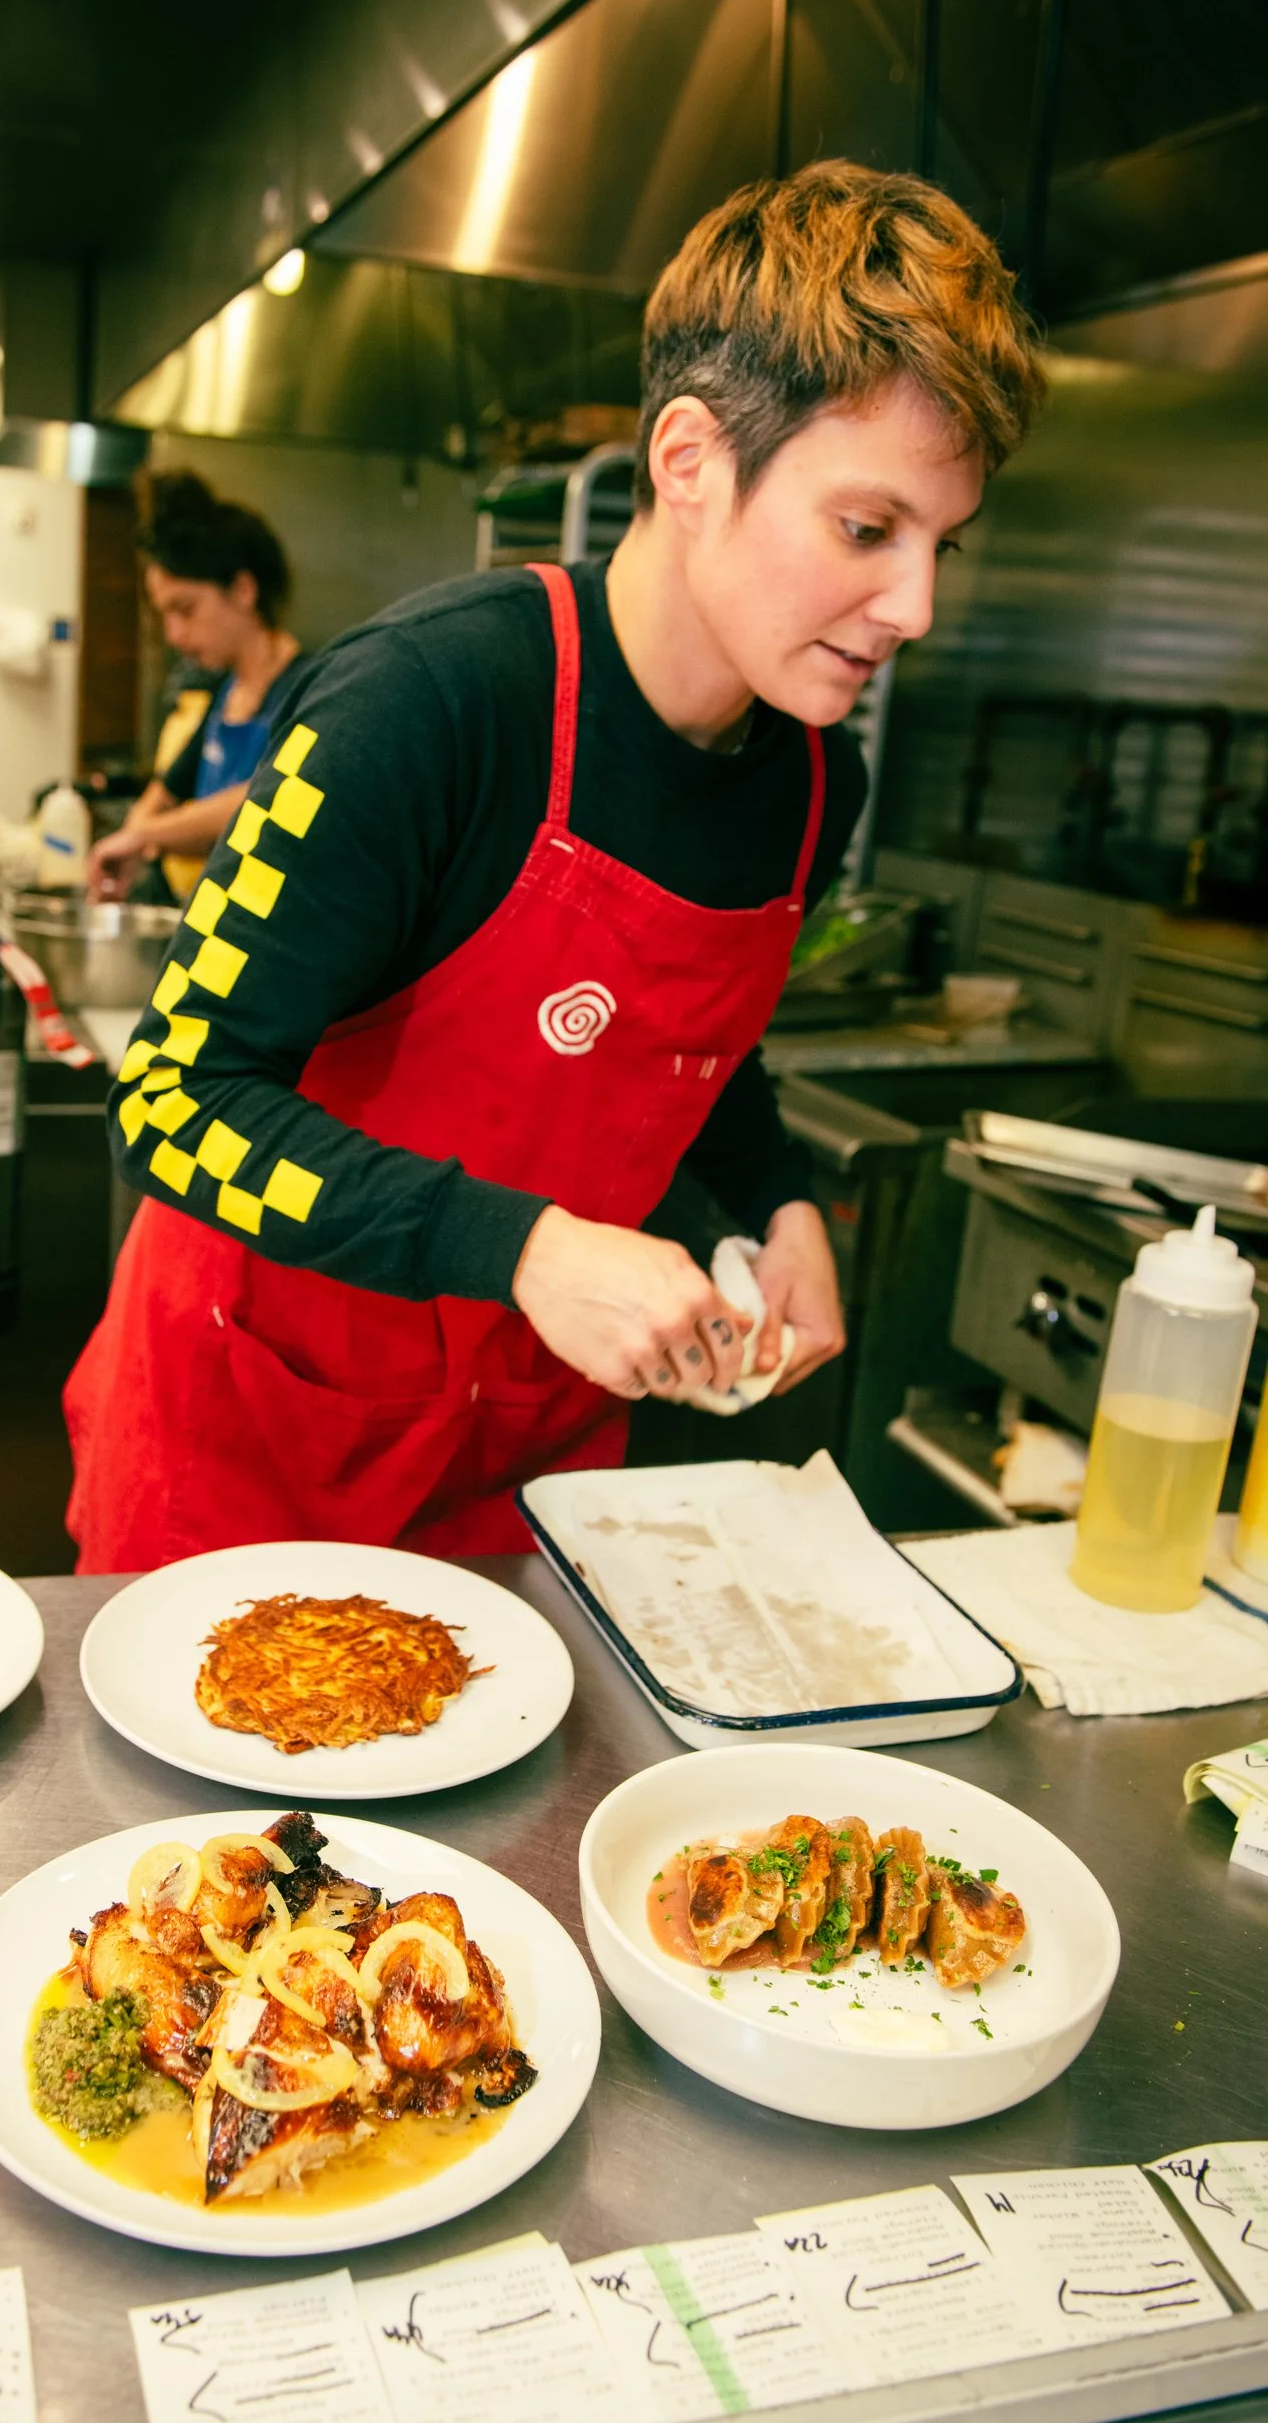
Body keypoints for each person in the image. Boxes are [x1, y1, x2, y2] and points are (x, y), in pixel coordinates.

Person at [65, 161, 1044, 1572]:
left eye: (938, 544)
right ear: (690, 462)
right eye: (864, 528)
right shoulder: (427, 706)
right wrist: (525, 1249)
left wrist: (775, 1200)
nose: (913, 606)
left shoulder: (814, 780)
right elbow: (167, 1103)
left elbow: (686, 1051)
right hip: (253, 1442)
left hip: (514, 1459)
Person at [87, 472, 301, 903]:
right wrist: (137, 833)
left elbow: (263, 799)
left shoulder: (309, 688)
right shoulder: (223, 693)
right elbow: (165, 791)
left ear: (242, 589)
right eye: (164, 615)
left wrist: (146, 834)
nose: (174, 634)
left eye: (185, 610)